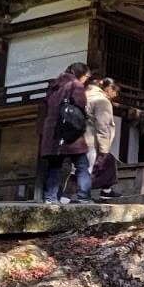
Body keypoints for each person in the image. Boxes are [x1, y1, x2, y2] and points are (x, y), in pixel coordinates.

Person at [38, 63, 92, 204]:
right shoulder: (76, 85)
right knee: (82, 165)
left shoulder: (54, 86)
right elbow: (80, 104)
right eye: (86, 76)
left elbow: (44, 108)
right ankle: (84, 197)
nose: (86, 80)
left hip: (53, 133)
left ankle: (50, 198)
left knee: (54, 166)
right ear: (80, 74)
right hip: (70, 131)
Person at [85, 78, 119, 200]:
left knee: (109, 162)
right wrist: (103, 150)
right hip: (91, 139)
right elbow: (103, 125)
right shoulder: (102, 101)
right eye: (114, 93)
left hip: (80, 138)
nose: (114, 96)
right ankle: (75, 198)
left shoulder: (86, 94)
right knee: (89, 169)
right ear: (109, 89)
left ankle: (106, 191)